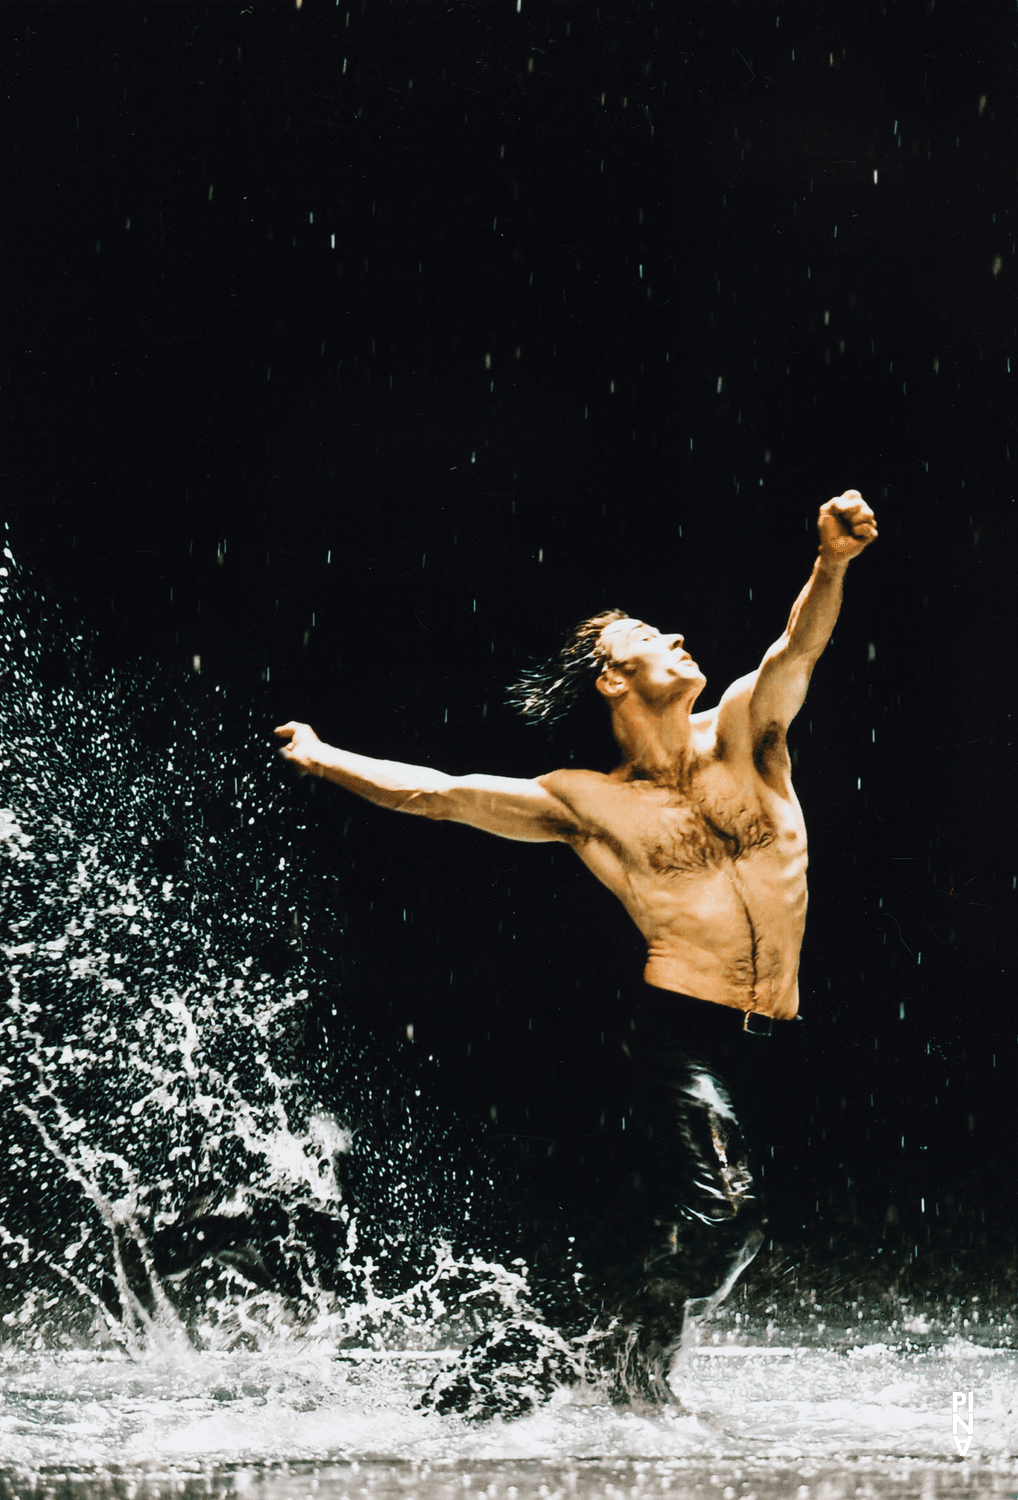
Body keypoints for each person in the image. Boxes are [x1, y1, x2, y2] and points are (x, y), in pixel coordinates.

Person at [275, 491, 878, 1413]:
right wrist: (324, 757)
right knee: (727, 1220)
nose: (675, 634)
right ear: (610, 677)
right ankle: (607, 1373)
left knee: (683, 1236)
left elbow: (798, 646)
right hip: (682, 1037)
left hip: (783, 1039)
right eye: (645, 631)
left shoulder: (748, 732)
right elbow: (440, 793)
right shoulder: (586, 802)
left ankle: (537, 1380)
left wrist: (830, 563)